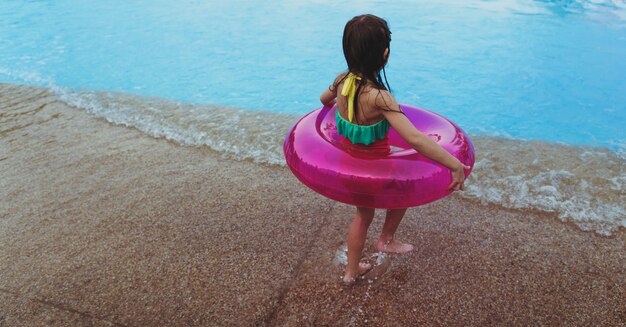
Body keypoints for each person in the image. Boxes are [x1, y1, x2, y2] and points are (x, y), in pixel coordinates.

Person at [319, 14, 470, 285]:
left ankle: (351, 273)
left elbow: (322, 99)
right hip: (377, 169)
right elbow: (414, 138)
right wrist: (454, 164)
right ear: (385, 54)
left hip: (350, 166)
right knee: (404, 191)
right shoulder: (380, 97)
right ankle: (386, 239)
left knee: (362, 215)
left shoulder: (342, 81)